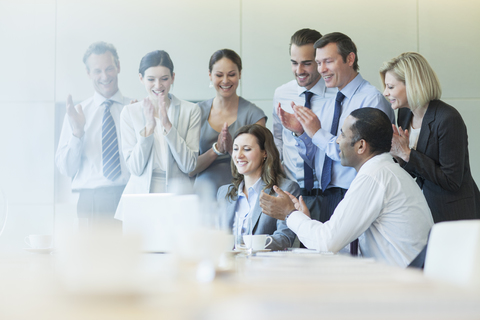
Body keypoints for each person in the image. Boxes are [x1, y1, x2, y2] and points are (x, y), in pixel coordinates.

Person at [260, 108, 433, 267]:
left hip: (402, 288)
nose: (337, 140)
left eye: (342, 134)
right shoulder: (384, 171)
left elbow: (327, 242)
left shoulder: (374, 176)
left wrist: (289, 214)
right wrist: (303, 219)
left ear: (361, 146)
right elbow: (342, 243)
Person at [277, 31, 395, 224]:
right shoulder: (331, 101)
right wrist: (302, 133)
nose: (321, 69)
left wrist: (316, 132)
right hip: (329, 195)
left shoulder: (370, 99)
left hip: (356, 193)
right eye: (318, 62)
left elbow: (358, 154)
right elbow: (319, 155)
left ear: (350, 59)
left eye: (328, 61)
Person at [381, 52, 480, 222]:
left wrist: (407, 153)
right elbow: (416, 170)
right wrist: (399, 156)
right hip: (422, 209)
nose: (385, 92)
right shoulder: (404, 113)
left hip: (453, 215)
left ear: (412, 85)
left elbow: (452, 180)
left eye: (390, 87)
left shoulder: (448, 119)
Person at [114, 50, 201, 220]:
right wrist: (149, 127)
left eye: (164, 78)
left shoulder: (191, 110)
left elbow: (189, 165)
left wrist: (167, 125)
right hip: (140, 197)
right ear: (141, 79)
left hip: (178, 197)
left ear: (173, 77)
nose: (158, 85)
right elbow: (135, 167)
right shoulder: (129, 113)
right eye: (151, 79)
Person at [55, 41, 132, 229]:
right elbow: (66, 169)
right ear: (89, 73)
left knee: (130, 257)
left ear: (118, 67)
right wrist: (77, 133)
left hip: (129, 197)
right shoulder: (77, 113)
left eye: (109, 68)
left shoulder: (135, 109)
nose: (104, 76)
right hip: (91, 201)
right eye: (97, 71)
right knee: (91, 258)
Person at [273, 28, 336, 223]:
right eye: (294, 63)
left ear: (319, 62)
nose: (299, 71)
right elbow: (278, 138)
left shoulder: (337, 95)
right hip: (293, 193)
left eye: (307, 64)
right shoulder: (281, 94)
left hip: (330, 194)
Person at [190, 49, 266, 192]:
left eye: (231, 74)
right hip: (203, 195)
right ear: (210, 75)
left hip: (243, 194)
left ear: (240, 74)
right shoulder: (195, 112)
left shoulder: (254, 115)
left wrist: (232, 149)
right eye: (219, 75)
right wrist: (216, 150)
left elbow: (262, 165)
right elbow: (188, 169)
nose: (225, 81)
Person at [217, 124, 299, 251]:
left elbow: (285, 238)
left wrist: (246, 244)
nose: (238, 155)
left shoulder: (286, 189)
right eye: (235, 149)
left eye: (247, 149)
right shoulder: (224, 192)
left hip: (264, 265)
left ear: (264, 153)